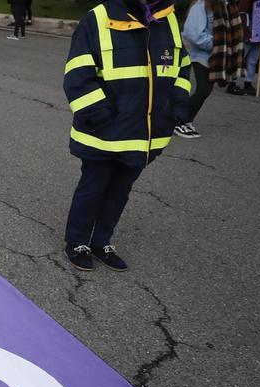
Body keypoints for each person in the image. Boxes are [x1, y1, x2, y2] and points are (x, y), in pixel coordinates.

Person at [61, 0, 191, 271]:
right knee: (93, 188)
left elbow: (182, 67)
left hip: (145, 134)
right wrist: (100, 116)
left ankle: (101, 241)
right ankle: (77, 242)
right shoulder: (97, 18)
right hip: (103, 133)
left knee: (120, 191)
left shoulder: (168, 18)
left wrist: (176, 107)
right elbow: (77, 74)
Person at [177, 0, 212, 138]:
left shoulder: (222, 5)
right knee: (203, 89)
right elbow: (193, 33)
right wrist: (218, 43)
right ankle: (180, 121)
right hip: (201, 55)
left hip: (215, 57)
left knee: (206, 90)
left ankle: (186, 120)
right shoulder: (200, 6)